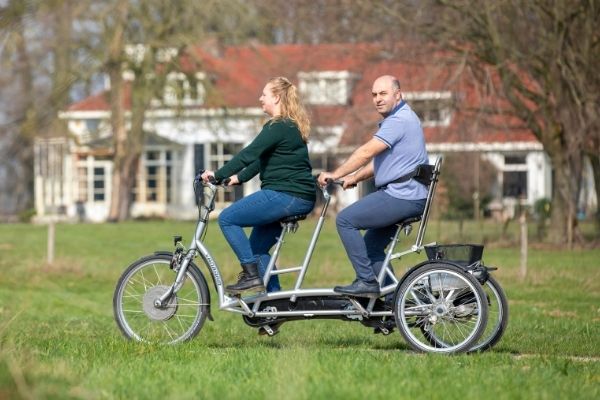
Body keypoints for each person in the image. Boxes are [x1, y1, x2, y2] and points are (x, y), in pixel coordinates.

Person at [202, 77, 316, 294]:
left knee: (227, 218)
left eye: (264, 95)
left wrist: (217, 175)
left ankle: (251, 276)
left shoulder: (278, 125)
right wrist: (238, 178)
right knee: (256, 249)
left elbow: (249, 153)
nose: (260, 98)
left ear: (277, 97)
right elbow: (261, 159)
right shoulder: (287, 125)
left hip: (288, 195)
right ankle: (273, 304)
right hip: (294, 196)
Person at [318, 75, 429, 297]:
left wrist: (336, 173)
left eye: (383, 94)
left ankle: (367, 281)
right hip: (407, 195)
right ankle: (391, 301)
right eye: (374, 95)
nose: (377, 99)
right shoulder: (403, 118)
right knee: (371, 249)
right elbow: (383, 162)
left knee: (345, 220)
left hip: (402, 196)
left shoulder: (399, 121)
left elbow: (366, 152)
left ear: (398, 95)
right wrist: (355, 178)